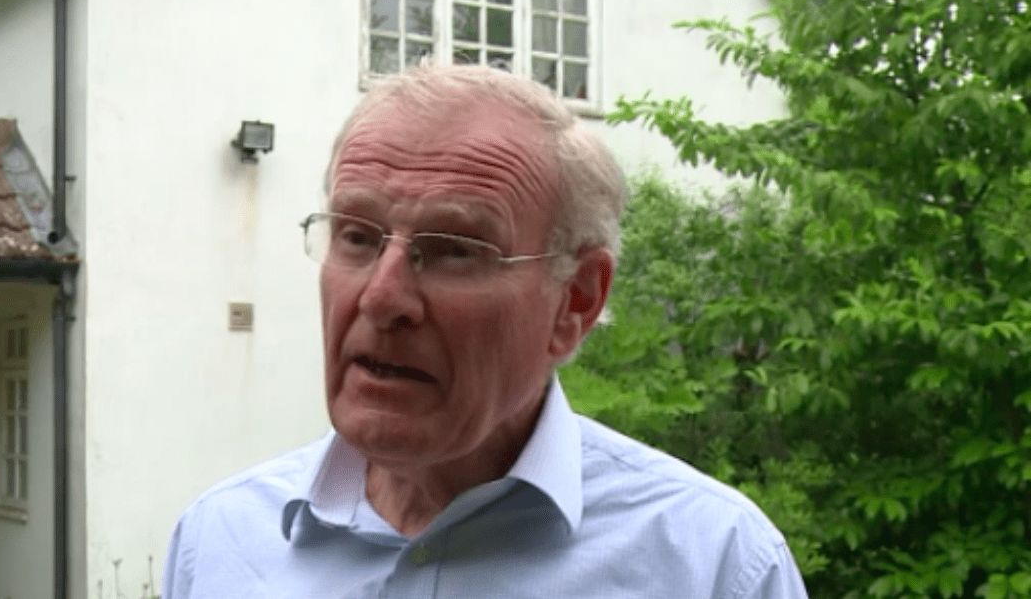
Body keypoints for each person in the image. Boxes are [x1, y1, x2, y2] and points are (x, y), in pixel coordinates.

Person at [162, 64, 809, 599]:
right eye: (356, 237)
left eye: (454, 250)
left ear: (576, 301)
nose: (382, 298)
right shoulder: (219, 541)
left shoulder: (712, 565)